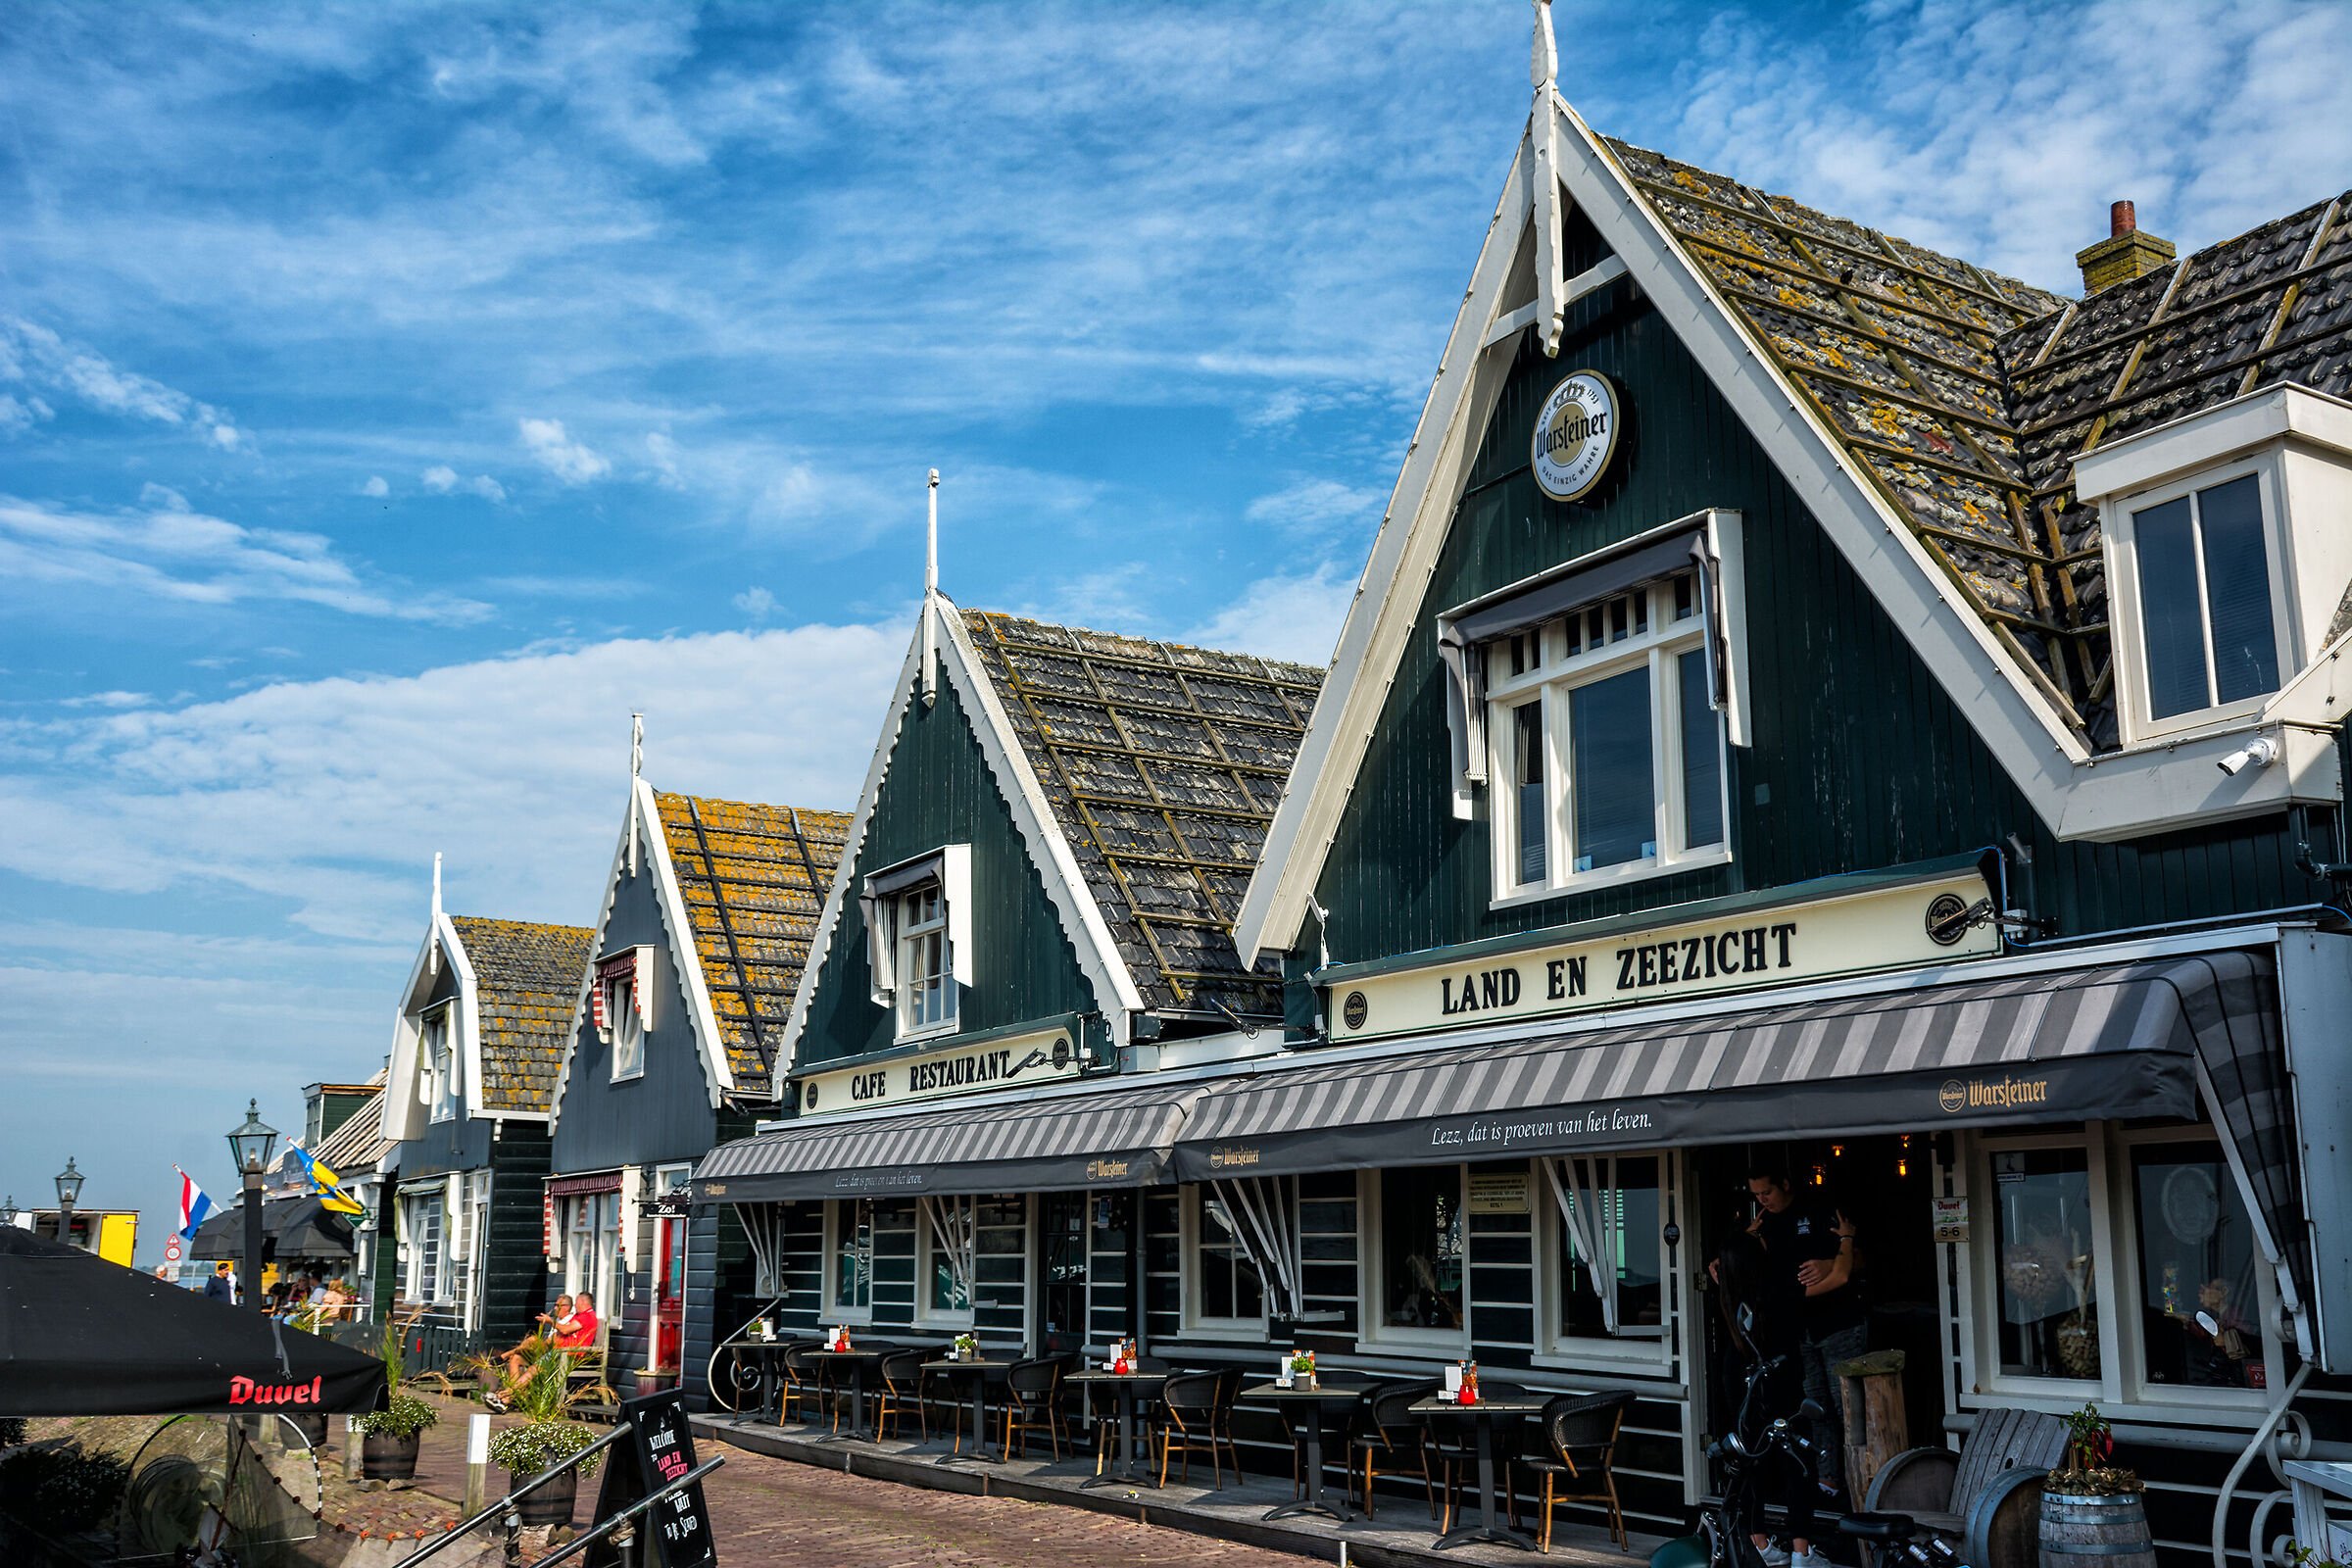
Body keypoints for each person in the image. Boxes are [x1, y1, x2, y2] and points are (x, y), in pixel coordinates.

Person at [1747, 1166, 1863, 1500]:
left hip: (1839, 1323)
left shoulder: (1821, 1211)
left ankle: (1862, 1480)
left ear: (1785, 1183)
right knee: (1816, 1405)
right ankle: (1828, 1481)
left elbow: (1861, 1264)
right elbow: (1738, 1256)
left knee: (1848, 1405)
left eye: (1766, 1193)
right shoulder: (1763, 1227)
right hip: (1800, 1326)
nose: (1762, 1201)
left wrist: (1834, 1261)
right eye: (1755, 1195)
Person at [1713, 1230, 1819, 1568]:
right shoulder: (1778, 1290)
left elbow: (1724, 1262)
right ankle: (1802, 1552)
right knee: (1798, 1462)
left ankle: (1759, 1543)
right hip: (1780, 1373)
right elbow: (1836, 1279)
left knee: (1750, 1458)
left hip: (1738, 1374)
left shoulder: (1728, 1290)